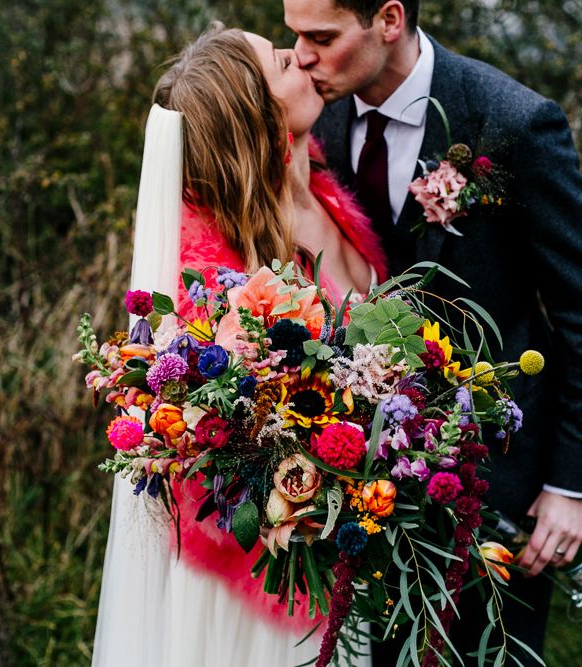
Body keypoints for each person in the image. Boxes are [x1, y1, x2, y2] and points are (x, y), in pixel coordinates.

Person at [282, 0, 582, 663]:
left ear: (387, 20)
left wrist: (568, 485)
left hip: (495, 482)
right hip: (354, 482)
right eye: (294, 34)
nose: (299, 54)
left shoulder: (512, 123)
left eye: (319, 37)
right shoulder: (310, 115)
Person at [92, 24, 387, 666]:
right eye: (285, 60)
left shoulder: (331, 197)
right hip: (267, 583)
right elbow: (210, 445)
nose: (304, 57)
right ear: (259, 117)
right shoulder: (215, 272)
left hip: (344, 553)